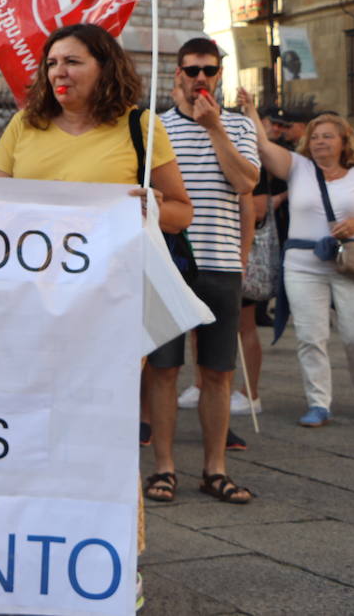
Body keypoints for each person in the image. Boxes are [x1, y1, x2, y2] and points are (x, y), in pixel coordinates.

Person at [0, 23, 192, 608]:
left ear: (104, 66)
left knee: (101, 435)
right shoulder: (25, 126)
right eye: (52, 63)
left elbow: (182, 211)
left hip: (107, 313)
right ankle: (37, 553)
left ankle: (117, 560)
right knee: (31, 435)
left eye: (73, 62)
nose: (59, 73)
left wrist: (150, 205)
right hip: (28, 312)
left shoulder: (139, 127)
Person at [143, 40, 258, 506]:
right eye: (191, 70)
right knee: (164, 369)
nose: (200, 78)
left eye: (208, 70)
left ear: (220, 74)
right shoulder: (157, 127)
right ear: (177, 74)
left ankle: (215, 469)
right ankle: (164, 468)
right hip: (169, 263)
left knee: (217, 371)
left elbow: (246, 184)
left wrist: (216, 130)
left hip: (221, 264)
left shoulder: (235, 126)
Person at [238, 90, 354, 428]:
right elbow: (262, 145)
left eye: (327, 136)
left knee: (353, 336)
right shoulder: (298, 167)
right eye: (314, 136)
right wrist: (249, 110)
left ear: (343, 141)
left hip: (347, 263)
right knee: (310, 336)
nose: (319, 142)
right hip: (302, 266)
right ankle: (318, 403)